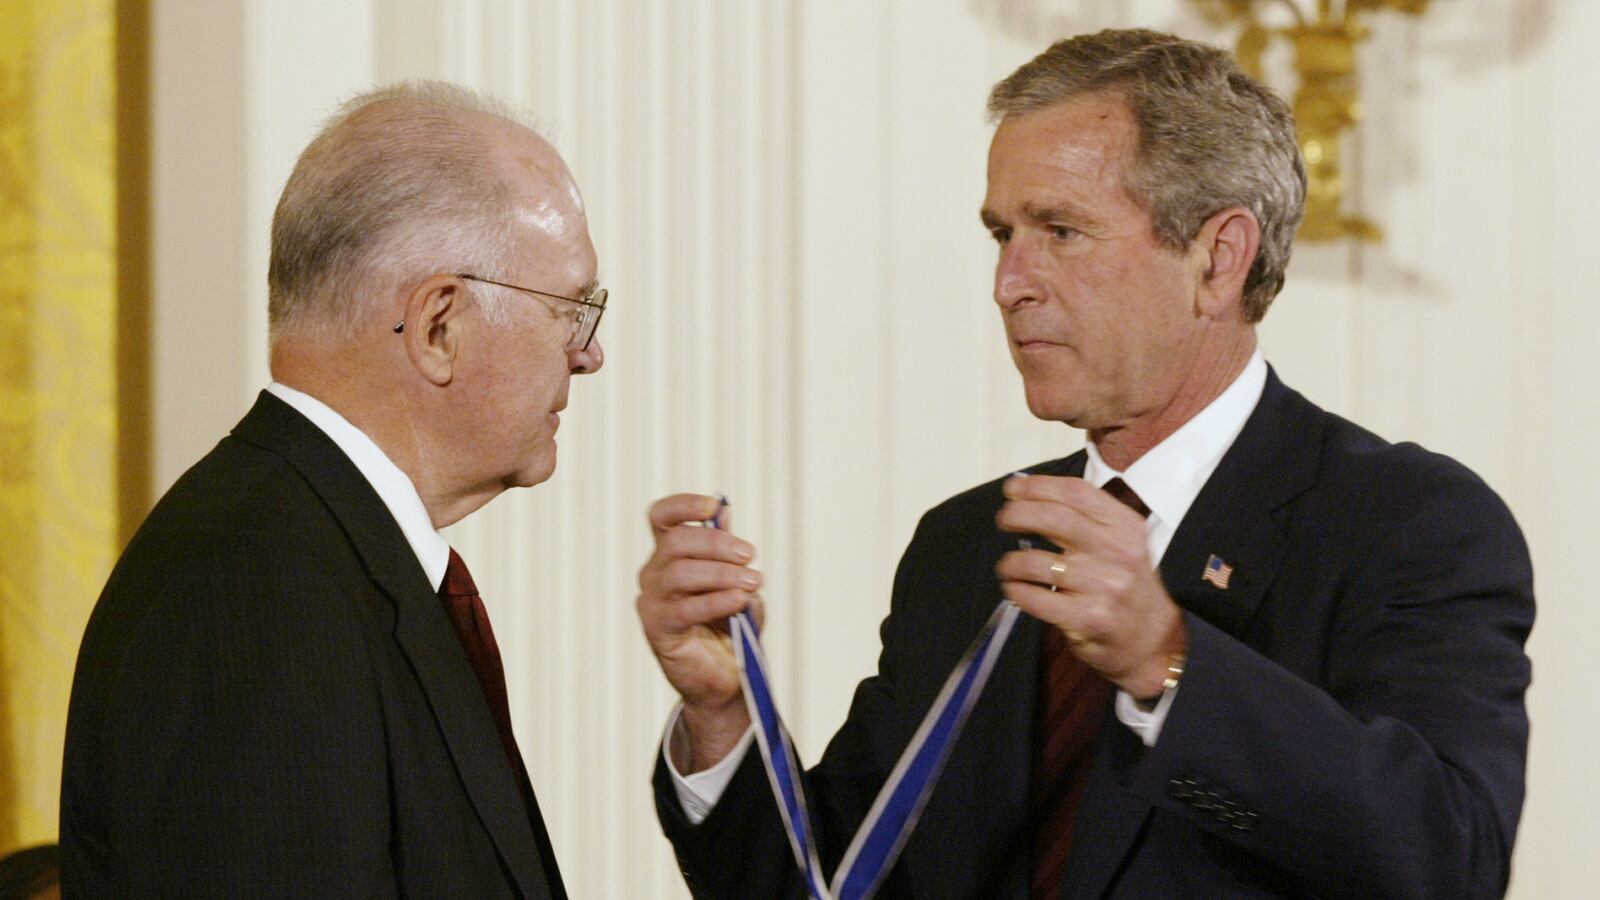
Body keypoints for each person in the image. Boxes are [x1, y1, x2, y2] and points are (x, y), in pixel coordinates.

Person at [637, 29, 1532, 899]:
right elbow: (832, 877)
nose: (1008, 283)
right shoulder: (967, 545)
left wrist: (1169, 664)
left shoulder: (1406, 522)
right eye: (1002, 235)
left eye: (1061, 231)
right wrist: (724, 716)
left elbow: (1448, 859)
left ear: (1218, 261)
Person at [61, 82, 605, 898]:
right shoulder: (256, 594)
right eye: (572, 310)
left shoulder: (321, 560)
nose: (588, 355)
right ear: (438, 327)